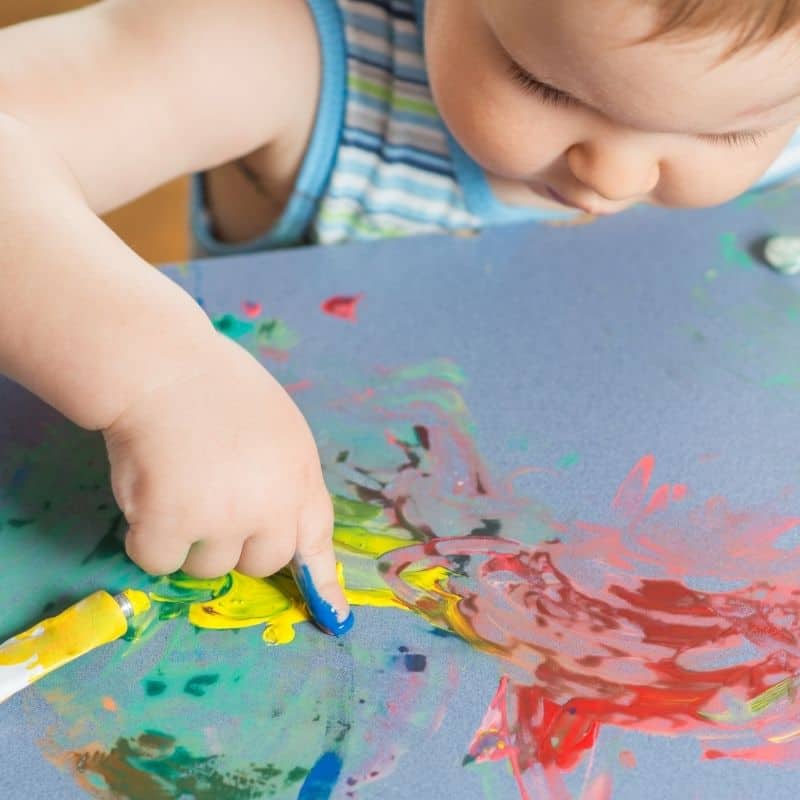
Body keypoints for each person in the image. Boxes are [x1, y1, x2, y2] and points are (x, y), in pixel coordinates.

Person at [0, 0, 798, 635]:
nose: (616, 174)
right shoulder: (272, 51)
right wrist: (161, 379)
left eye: (730, 128)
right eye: (541, 84)